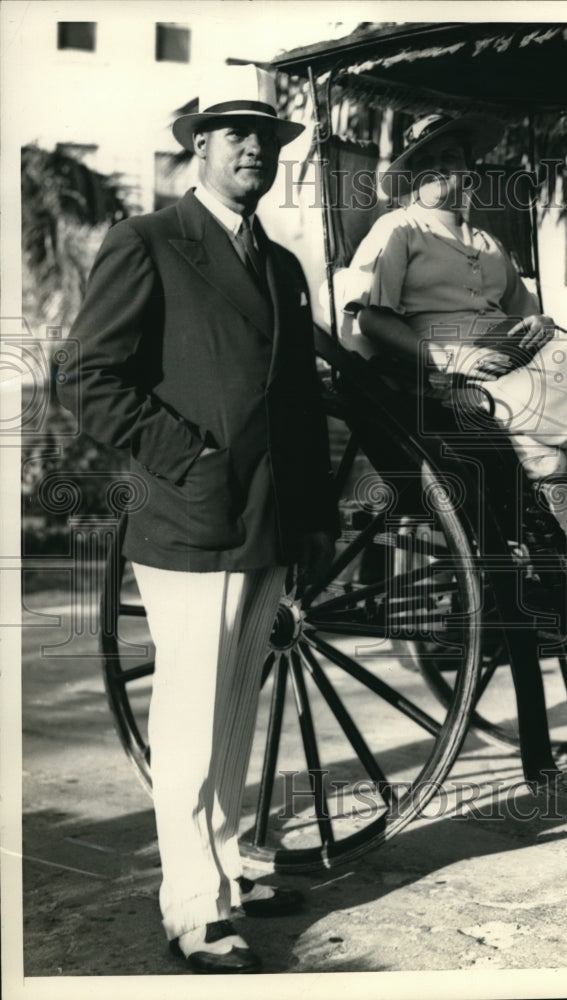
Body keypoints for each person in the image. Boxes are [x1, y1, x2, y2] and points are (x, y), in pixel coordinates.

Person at [57, 64, 338, 974]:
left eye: (268, 137)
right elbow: (87, 377)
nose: (255, 148)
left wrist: (313, 517)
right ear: (201, 146)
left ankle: (225, 867)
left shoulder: (282, 265)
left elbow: (297, 406)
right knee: (186, 718)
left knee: (229, 714)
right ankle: (192, 909)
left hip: (266, 525)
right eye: (233, 134)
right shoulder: (149, 240)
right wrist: (187, 458)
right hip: (188, 520)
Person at [340, 114, 567, 601]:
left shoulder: (489, 245)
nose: (437, 171)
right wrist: (450, 359)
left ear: (467, 170)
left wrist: (540, 327)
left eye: (448, 160)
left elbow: (531, 317)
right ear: (412, 178)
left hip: (524, 368)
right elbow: (372, 319)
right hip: (456, 383)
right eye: (425, 164)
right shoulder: (399, 229)